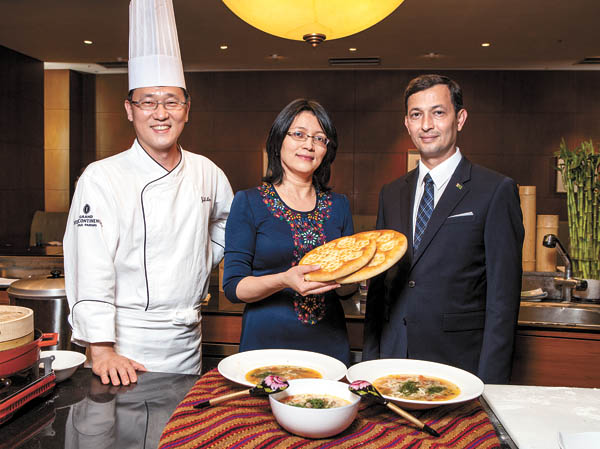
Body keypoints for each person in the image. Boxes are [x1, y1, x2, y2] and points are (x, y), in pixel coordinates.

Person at [63, 0, 233, 385]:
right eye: (147, 102)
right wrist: (101, 349)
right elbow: (89, 264)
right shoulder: (101, 177)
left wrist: (199, 259)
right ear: (129, 109)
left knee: (179, 422)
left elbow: (228, 222)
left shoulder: (207, 171)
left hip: (187, 339)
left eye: (172, 101)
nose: (160, 113)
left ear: (187, 109)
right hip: (123, 346)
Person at [362, 74, 524, 383]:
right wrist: (370, 362)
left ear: (459, 119)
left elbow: (503, 300)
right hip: (392, 359)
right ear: (407, 123)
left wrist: (491, 384)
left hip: (459, 362)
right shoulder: (391, 193)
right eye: (416, 115)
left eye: (438, 112)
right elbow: (378, 287)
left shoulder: (495, 190)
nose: (426, 125)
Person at [223, 99, 356, 366]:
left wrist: (356, 275)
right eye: (298, 134)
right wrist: (284, 279)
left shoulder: (339, 205)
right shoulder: (249, 202)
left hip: (328, 345)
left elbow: (346, 290)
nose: (309, 145)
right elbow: (234, 287)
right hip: (266, 345)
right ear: (278, 141)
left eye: (319, 138)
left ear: (327, 150)